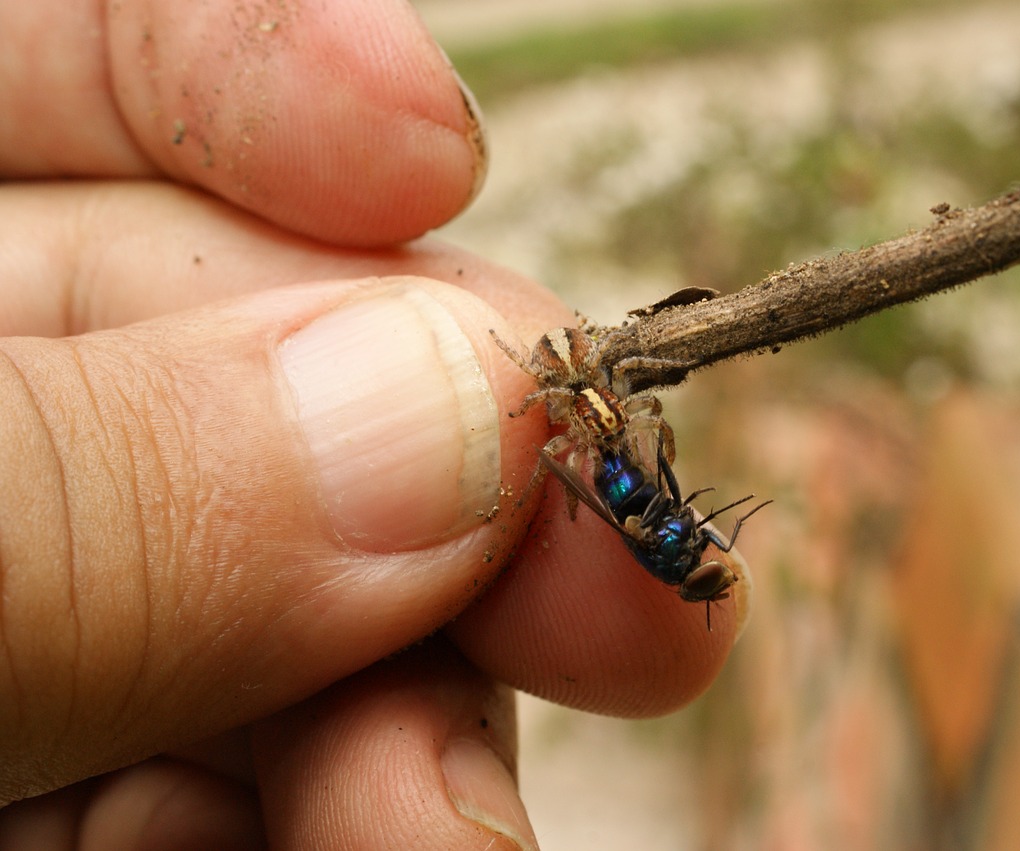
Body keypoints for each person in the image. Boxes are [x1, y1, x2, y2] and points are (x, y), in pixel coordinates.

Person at [0, 3, 749, 848]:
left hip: (597, 454)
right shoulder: (588, 443)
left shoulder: (615, 467)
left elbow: (626, 471)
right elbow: (600, 461)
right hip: (591, 449)